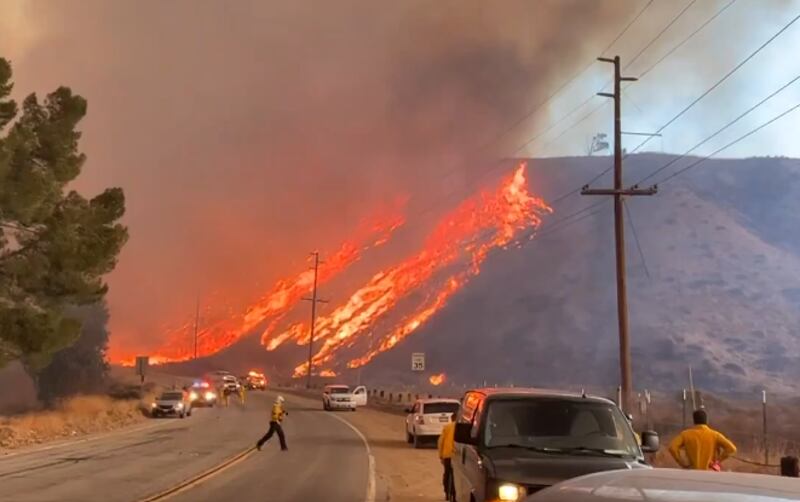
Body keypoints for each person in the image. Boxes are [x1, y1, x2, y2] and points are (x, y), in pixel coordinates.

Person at [669, 409, 737, 470]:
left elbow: (672, 447)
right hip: (710, 471)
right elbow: (732, 449)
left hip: (692, 471)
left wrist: (682, 462)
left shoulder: (685, 434)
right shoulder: (715, 435)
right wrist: (717, 461)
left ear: (694, 421)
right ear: (707, 420)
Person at [437, 417, 456, 500]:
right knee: (455, 475)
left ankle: (446, 492)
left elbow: (441, 441)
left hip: (447, 455)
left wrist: (440, 455)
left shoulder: (447, 427)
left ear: (451, 419)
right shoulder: (460, 427)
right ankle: (454, 492)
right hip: (456, 455)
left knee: (447, 473)